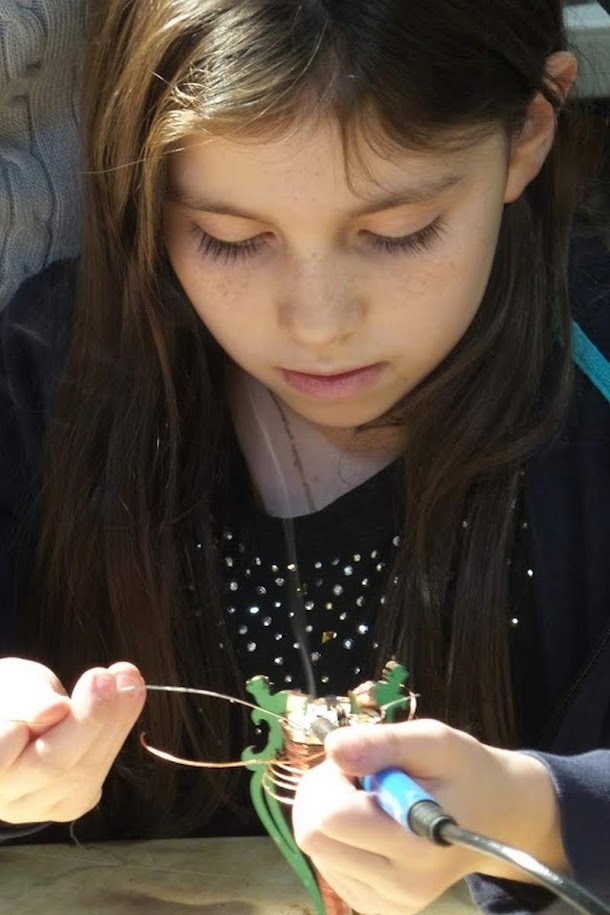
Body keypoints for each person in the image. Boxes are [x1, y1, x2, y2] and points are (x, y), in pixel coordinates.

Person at [0, 1, 609, 912]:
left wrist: (547, 811)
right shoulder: (49, 379)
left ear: (528, 132)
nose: (319, 324)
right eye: (230, 239)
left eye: (399, 231)